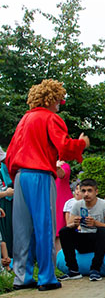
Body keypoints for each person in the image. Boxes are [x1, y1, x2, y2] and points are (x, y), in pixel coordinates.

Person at [6, 79, 89, 291]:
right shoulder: (50, 118)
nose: (61, 102)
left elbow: (10, 153)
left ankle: (22, 277)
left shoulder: (24, 120)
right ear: (50, 99)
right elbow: (64, 147)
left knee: (22, 229)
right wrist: (82, 144)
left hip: (21, 176)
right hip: (40, 175)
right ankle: (46, 277)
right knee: (45, 226)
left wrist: (17, 175)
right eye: (59, 98)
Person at [59, 178, 105, 282]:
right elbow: (69, 225)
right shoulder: (77, 205)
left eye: (89, 190)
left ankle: (95, 269)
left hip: (101, 241)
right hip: (84, 239)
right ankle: (73, 270)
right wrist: (75, 224)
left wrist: (95, 223)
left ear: (96, 192)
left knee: (103, 230)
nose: (86, 194)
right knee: (64, 231)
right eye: (83, 191)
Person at [55, 160, 72, 251]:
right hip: (50, 201)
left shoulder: (64, 165)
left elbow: (61, 174)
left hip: (61, 202)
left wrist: (57, 167)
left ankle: (60, 258)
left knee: (59, 234)